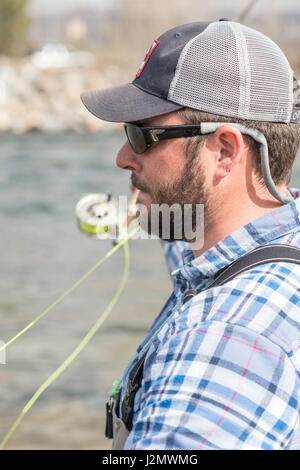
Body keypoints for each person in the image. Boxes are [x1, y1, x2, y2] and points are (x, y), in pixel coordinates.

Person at [81, 20, 300, 450]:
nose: (123, 157)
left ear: (224, 151)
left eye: (141, 136)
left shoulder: (225, 336)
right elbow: (191, 255)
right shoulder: (268, 246)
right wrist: (152, 199)